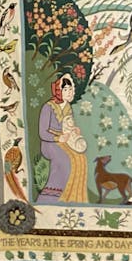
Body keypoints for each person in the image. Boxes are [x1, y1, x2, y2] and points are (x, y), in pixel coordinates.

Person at [36, 73, 89, 204]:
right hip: (49, 143)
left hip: (65, 140)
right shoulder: (48, 107)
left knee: (81, 159)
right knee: (66, 160)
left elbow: (68, 125)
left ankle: (75, 198)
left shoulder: (67, 107)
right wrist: (58, 138)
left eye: (70, 89)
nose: (69, 92)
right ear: (59, 91)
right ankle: (52, 198)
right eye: (65, 89)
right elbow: (42, 133)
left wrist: (74, 130)